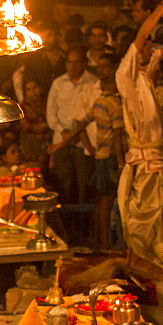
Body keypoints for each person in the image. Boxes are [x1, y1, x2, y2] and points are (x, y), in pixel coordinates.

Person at [115, 0, 163, 267]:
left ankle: (154, 269)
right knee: (141, 219)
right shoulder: (127, 76)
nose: (150, 48)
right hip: (144, 162)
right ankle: (139, 267)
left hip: (158, 160)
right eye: (147, 46)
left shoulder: (147, 76)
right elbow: (141, 37)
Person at [48, 52, 125, 249]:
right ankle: (104, 245)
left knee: (101, 200)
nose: (101, 70)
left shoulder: (104, 99)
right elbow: (114, 136)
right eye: (99, 66)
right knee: (105, 200)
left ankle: (100, 242)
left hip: (99, 154)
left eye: (106, 66)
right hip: (107, 156)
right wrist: (120, 162)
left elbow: (81, 125)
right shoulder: (110, 102)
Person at [45, 45, 100, 203]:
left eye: (76, 62)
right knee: (63, 182)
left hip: (84, 141)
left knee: (85, 181)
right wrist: (64, 132)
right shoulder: (58, 83)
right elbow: (51, 114)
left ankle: (83, 221)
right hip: (61, 139)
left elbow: (93, 114)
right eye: (69, 62)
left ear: (84, 63)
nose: (72, 66)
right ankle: (65, 220)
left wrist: (77, 133)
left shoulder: (93, 82)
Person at [19, 77, 51, 165]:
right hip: (31, 146)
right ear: (25, 92)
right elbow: (26, 127)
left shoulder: (48, 103)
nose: (33, 92)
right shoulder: (22, 108)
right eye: (29, 89)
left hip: (50, 144)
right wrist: (48, 125)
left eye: (35, 87)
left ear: (40, 88)